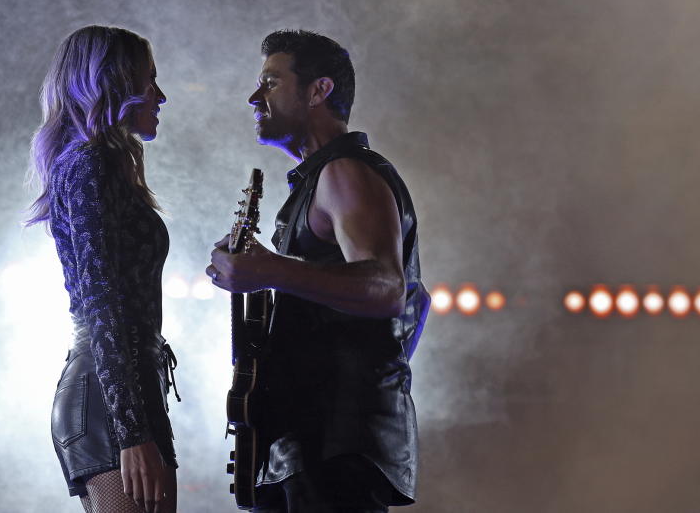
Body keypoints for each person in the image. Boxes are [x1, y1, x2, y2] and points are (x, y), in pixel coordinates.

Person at [207, 30, 429, 512]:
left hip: (335, 444)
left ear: (318, 90)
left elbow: (389, 288)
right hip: (308, 442)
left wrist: (269, 269)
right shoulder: (321, 178)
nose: (254, 97)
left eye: (270, 82)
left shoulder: (346, 172)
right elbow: (418, 301)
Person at [27, 25, 179, 513]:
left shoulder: (104, 165)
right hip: (110, 397)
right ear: (114, 83)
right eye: (148, 80)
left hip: (128, 385)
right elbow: (102, 303)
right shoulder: (90, 165)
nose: (160, 95)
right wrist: (131, 430)